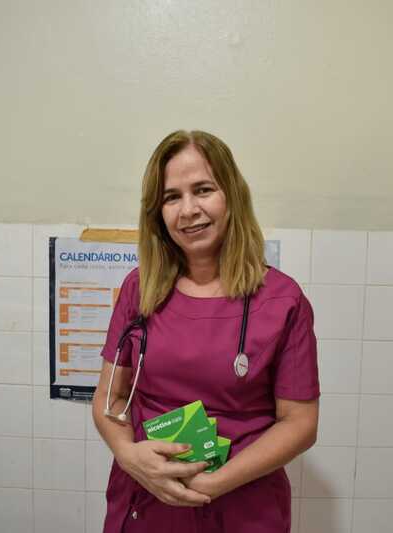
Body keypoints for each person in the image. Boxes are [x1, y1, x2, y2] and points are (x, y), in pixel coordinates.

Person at [91, 130, 320, 532]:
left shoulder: (283, 300)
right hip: (148, 500)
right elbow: (110, 399)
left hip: (243, 506)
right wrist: (129, 456)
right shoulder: (139, 289)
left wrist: (214, 483)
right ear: (157, 212)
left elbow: (300, 423)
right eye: (171, 197)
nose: (188, 210)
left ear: (232, 196)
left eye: (203, 190)